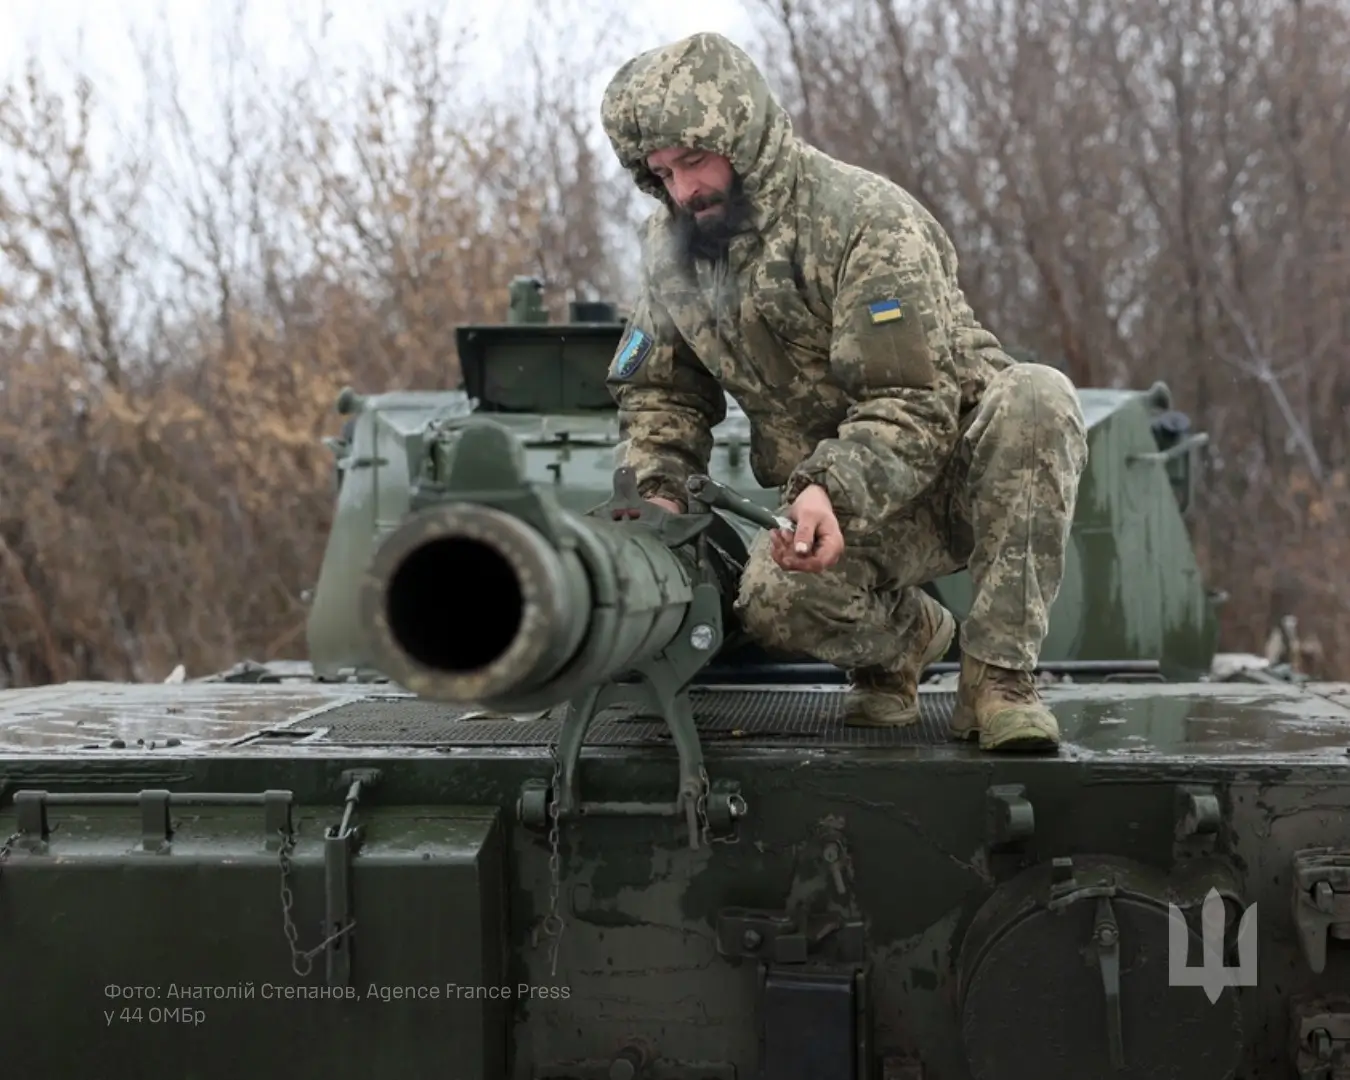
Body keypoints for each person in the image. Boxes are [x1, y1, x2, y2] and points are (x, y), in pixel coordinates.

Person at [599, 32, 1089, 751]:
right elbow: (661, 397)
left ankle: (1000, 680)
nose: (684, 189)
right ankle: (906, 646)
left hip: (960, 477)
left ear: (746, 135)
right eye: (662, 172)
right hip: (834, 509)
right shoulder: (672, 252)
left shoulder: (865, 220)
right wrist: (658, 495)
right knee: (769, 600)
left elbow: (912, 403)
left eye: (695, 161)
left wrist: (829, 487)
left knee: (1039, 396)